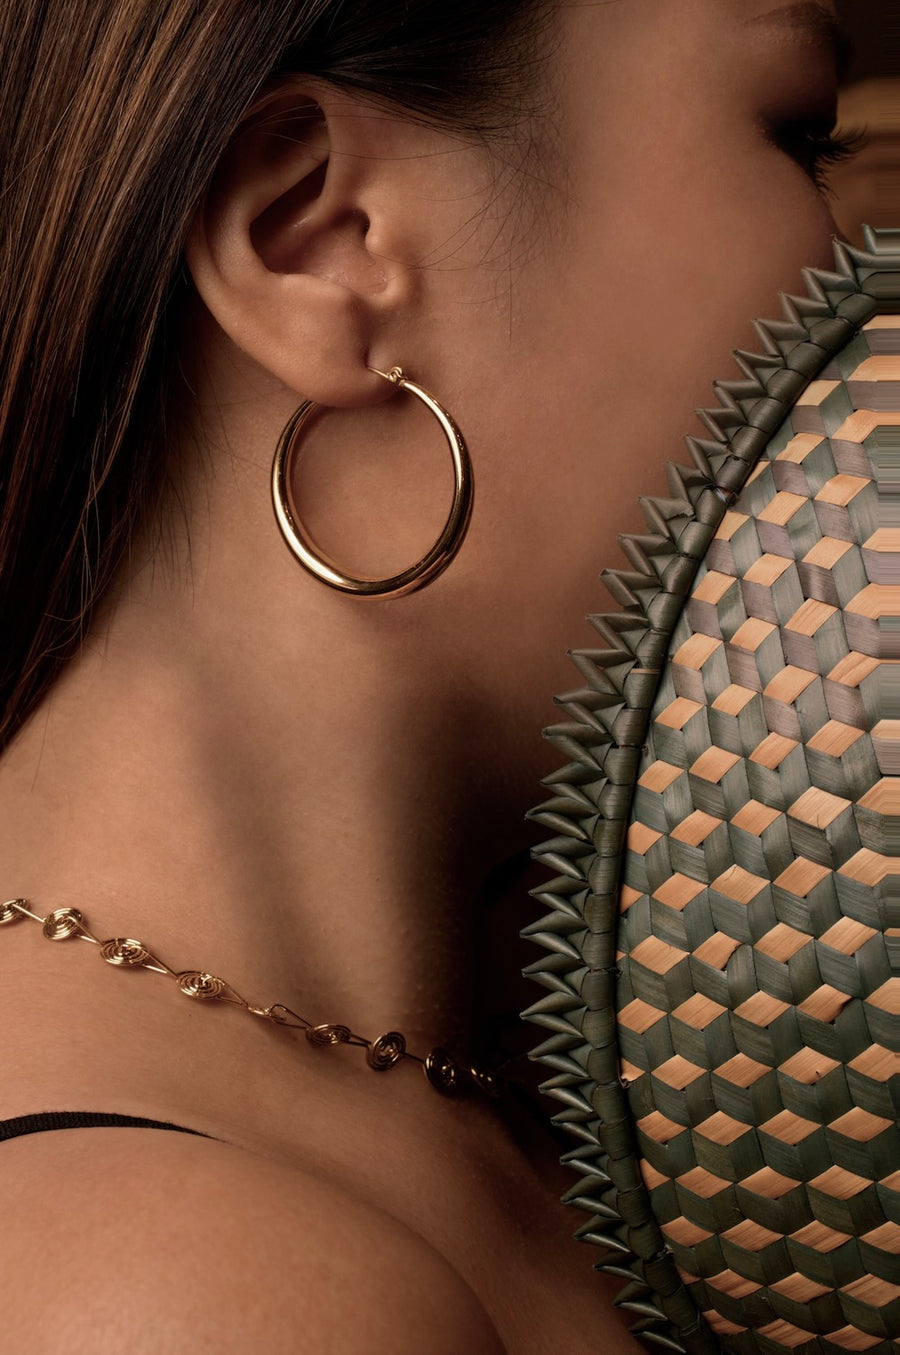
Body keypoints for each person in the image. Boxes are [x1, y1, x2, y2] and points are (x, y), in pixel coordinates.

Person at [0, 1, 860, 1350]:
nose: (871, 280)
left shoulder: (588, 1130)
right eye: (802, 137)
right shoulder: (193, 1297)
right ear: (325, 246)